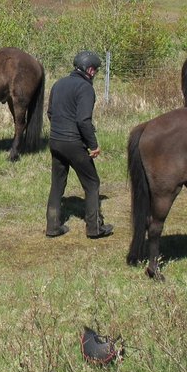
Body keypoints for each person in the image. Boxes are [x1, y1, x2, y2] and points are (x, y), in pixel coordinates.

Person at [45, 50, 113, 239]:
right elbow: (83, 120)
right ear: (90, 70)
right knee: (92, 183)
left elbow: (50, 113)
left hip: (55, 141)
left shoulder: (58, 84)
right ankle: (94, 228)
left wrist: (61, 131)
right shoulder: (85, 88)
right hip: (74, 143)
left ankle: (52, 227)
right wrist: (93, 145)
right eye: (96, 71)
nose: (96, 74)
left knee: (57, 185)